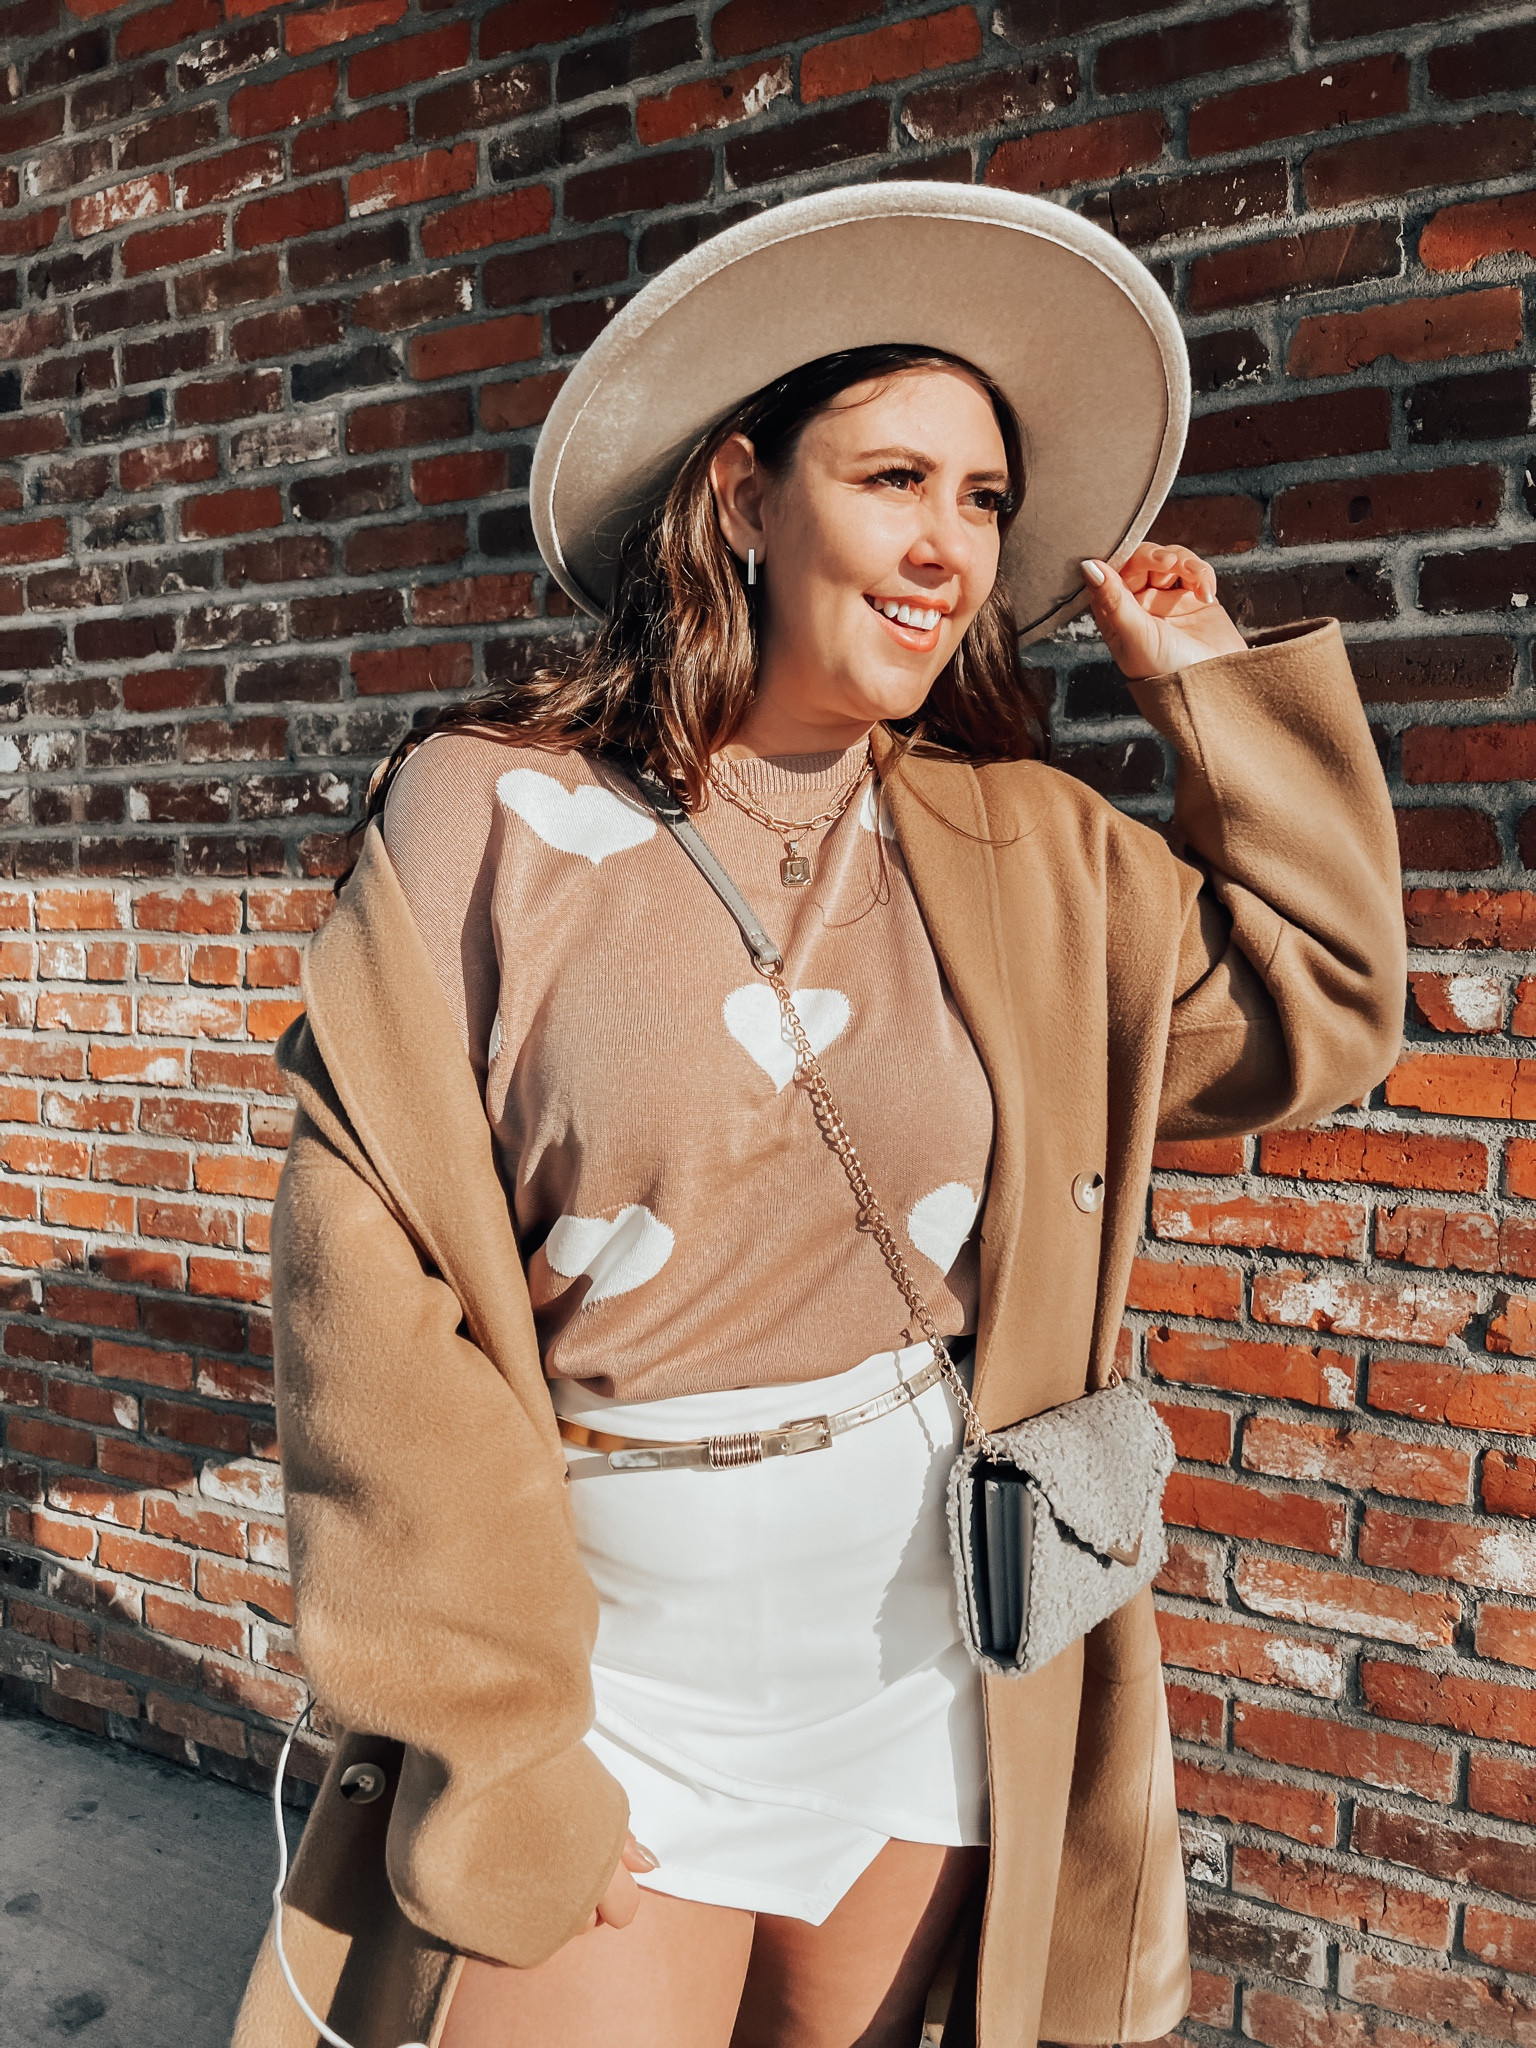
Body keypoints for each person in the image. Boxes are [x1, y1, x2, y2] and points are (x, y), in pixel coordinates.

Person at [232, 184, 1405, 2048]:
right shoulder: (485, 811)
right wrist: (497, 1741)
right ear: (744, 498)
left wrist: (1215, 702)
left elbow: (1318, 1011)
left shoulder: (1023, 848)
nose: (952, 545)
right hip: (606, 1680)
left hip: (924, 1665)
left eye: (986, 499)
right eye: (895, 479)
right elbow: (369, 1295)